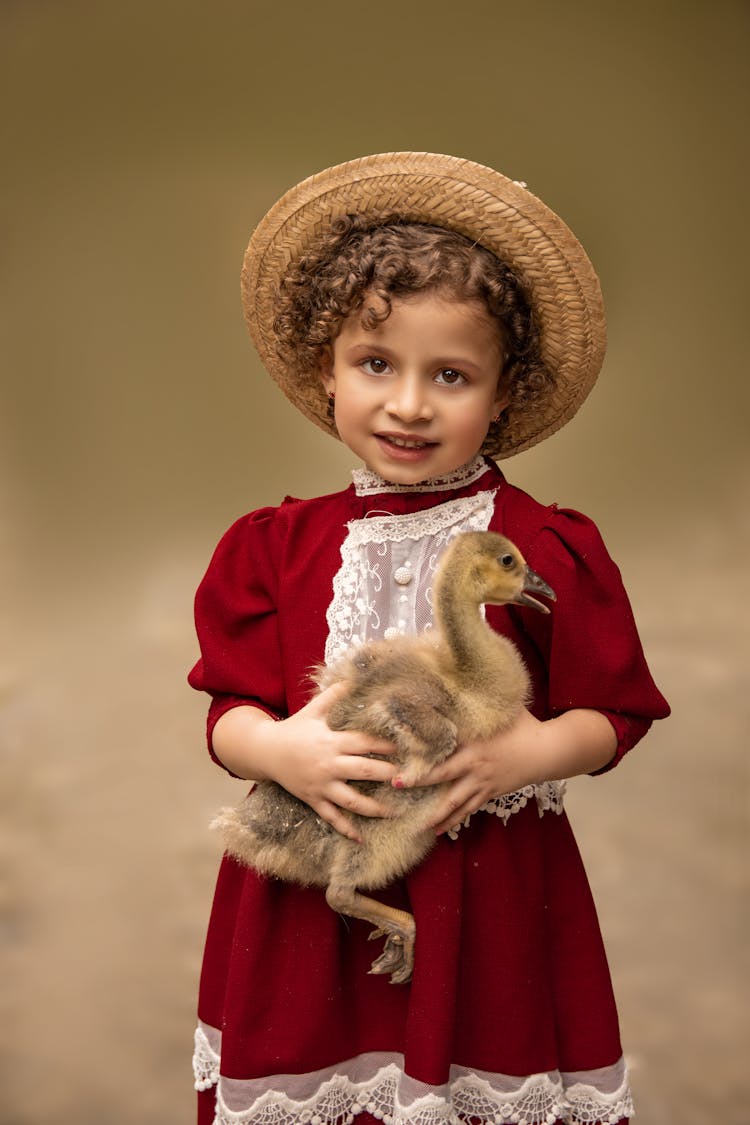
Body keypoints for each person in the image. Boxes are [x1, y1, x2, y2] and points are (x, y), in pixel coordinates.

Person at [188, 152, 669, 1125]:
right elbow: (228, 712)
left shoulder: (543, 546)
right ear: (328, 373)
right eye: (376, 365)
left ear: (501, 394)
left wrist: (534, 748)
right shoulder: (273, 548)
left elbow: (616, 711)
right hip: (313, 894)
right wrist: (281, 747)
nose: (409, 404)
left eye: (449, 375)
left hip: (484, 896)